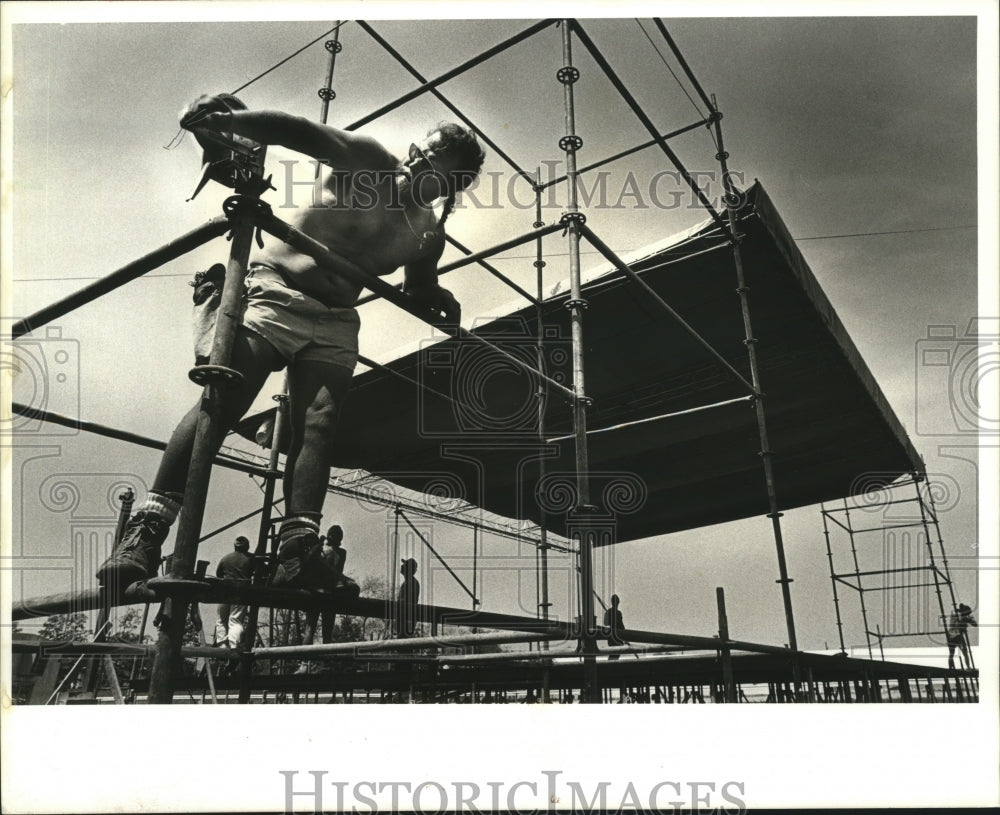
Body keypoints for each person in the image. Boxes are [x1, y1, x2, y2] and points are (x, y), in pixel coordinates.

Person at [95, 95, 485, 592]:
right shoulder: (368, 161)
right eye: (416, 150)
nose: (413, 162)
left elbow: (420, 287)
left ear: (451, 186)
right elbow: (296, 130)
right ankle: (146, 533)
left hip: (338, 318)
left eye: (429, 164)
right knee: (225, 399)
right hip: (278, 291)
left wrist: (440, 297)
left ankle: (298, 554)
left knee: (318, 424)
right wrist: (229, 121)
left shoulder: (429, 234)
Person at [213, 535, 253, 649]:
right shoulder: (250, 559)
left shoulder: (225, 558)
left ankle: (222, 645)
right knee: (235, 620)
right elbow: (262, 571)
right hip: (240, 592)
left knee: (221, 620)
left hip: (224, 591)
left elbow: (218, 574)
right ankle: (233, 644)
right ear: (247, 547)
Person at [395, 558, 420, 638]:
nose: (402, 566)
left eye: (405, 565)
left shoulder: (411, 583)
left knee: (404, 642)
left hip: (406, 620)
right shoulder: (408, 582)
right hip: (403, 619)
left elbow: (407, 602)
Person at [946, 602, 977, 669]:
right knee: (963, 653)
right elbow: (974, 624)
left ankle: (952, 668)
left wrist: (969, 619)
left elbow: (974, 624)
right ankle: (967, 667)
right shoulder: (960, 616)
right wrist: (969, 619)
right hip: (957, 636)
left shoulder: (957, 615)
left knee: (952, 653)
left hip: (952, 636)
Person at [603, 593, 627, 661]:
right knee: (615, 653)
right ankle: (610, 665)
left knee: (614, 653)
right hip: (617, 636)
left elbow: (605, 623)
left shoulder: (610, 612)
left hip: (612, 637)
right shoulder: (617, 613)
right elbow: (621, 626)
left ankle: (610, 665)